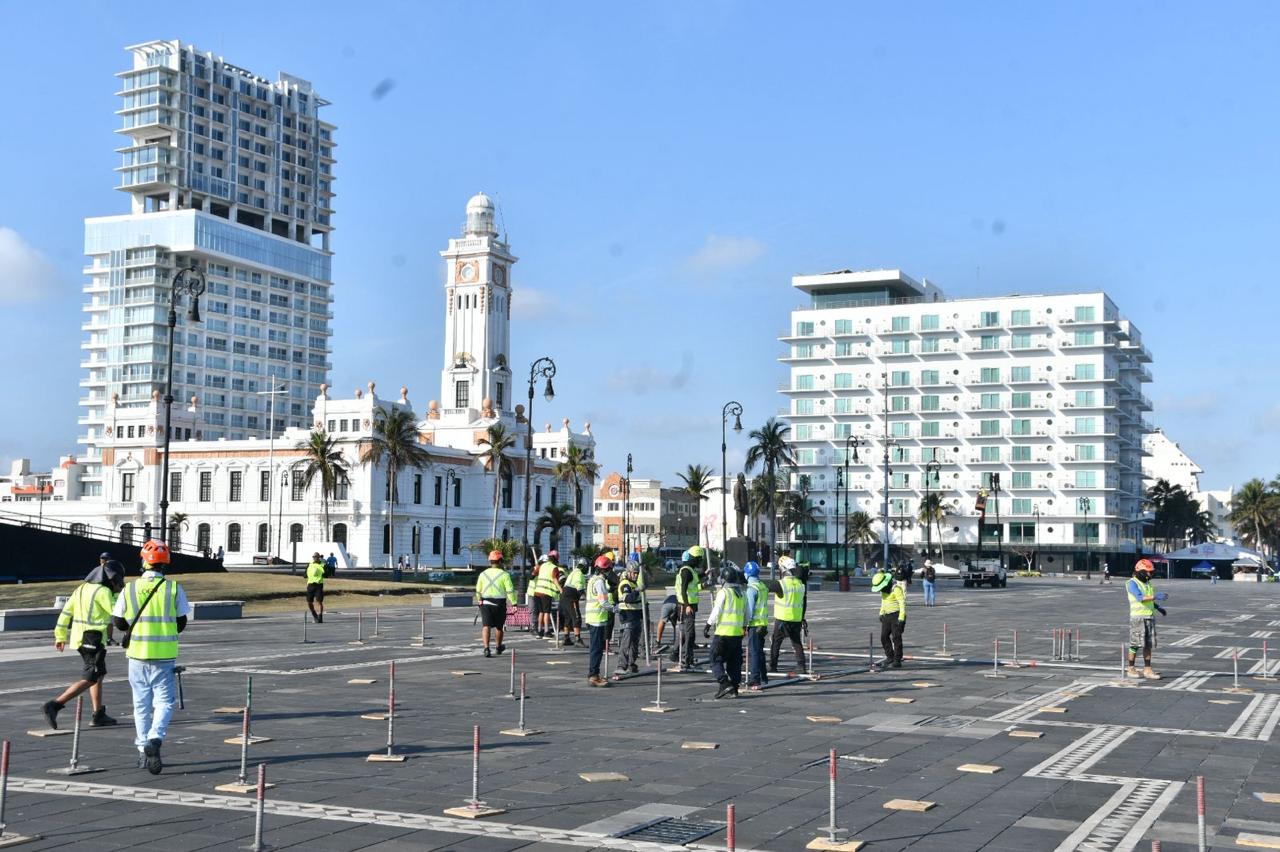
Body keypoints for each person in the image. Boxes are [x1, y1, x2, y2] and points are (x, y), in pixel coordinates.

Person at [112, 539, 191, 774]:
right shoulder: (174, 588)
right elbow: (181, 622)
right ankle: (155, 738)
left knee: (140, 705)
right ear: (165, 565)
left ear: (143, 562)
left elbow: (117, 621)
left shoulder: (129, 588)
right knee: (165, 702)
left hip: (136, 654)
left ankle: (141, 750)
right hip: (164, 656)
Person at [43, 559, 126, 729]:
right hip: (92, 639)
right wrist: (119, 595)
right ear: (112, 579)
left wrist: (59, 636)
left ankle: (98, 714)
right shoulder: (102, 591)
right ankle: (55, 705)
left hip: (80, 639)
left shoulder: (80, 589)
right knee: (90, 677)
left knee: (98, 674)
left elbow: (66, 613)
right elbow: (117, 612)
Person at [704, 566, 746, 699]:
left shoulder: (724, 592)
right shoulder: (741, 593)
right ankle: (734, 687)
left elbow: (717, 610)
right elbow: (747, 613)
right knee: (734, 662)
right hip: (737, 634)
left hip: (723, 633)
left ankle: (724, 683)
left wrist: (708, 624)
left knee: (715, 658)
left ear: (724, 579)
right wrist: (744, 627)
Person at [1126, 558, 1167, 680]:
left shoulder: (1148, 584)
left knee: (1148, 645)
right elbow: (1140, 598)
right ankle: (1131, 668)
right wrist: (1156, 596)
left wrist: (1158, 607)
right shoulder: (1132, 583)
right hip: (1137, 618)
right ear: (1142, 572)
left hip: (1149, 616)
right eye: (1149, 572)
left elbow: (1149, 601)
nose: (1151, 575)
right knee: (1135, 644)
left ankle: (1147, 669)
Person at [769, 557, 807, 674]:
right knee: (796, 643)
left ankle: (773, 666)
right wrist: (802, 618)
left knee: (776, 642)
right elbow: (804, 603)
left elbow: (766, 587)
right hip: (796, 619)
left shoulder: (781, 584)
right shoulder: (801, 585)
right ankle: (802, 666)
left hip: (782, 619)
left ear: (784, 570)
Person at [475, 549, 515, 657]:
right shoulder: (505, 575)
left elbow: (478, 589)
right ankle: (498, 647)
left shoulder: (483, 574)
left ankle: (486, 648)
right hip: (499, 602)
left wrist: (479, 599)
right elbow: (510, 590)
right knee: (499, 627)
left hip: (485, 601)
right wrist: (514, 603)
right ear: (500, 561)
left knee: (486, 625)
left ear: (490, 561)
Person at [585, 554, 616, 686]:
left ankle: (594, 674)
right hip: (597, 619)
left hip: (593, 618)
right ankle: (593, 676)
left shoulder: (593, 579)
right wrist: (614, 608)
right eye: (609, 569)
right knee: (597, 649)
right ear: (605, 570)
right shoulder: (600, 582)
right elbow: (603, 602)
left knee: (596, 648)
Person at [674, 547, 704, 671]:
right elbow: (684, 589)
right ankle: (685, 659)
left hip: (690, 605)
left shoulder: (691, 570)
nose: (699, 562)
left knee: (689, 633)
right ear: (694, 558)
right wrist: (686, 606)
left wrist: (705, 576)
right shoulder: (686, 571)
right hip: (685, 606)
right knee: (688, 633)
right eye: (698, 559)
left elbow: (694, 586)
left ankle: (685, 656)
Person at [612, 562, 643, 679]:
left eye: (637, 573)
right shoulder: (625, 584)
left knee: (635, 642)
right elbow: (628, 598)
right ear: (629, 572)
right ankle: (621, 666)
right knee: (626, 642)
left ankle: (631, 663)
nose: (635, 575)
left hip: (636, 615)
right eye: (634, 573)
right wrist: (637, 591)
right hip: (627, 616)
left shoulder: (634, 583)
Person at [743, 561, 770, 690]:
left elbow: (749, 609)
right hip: (763, 624)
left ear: (747, 574)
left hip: (755, 624)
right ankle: (764, 676)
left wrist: (745, 625)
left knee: (754, 652)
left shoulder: (751, 589)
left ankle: (755, 679)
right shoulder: (762, 585)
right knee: (760, 652)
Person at [874, 569, 907, 668]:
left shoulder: (895, 588)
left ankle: (897, 659)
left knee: (896, 637)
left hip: (897, 616)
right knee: (883, 637)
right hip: (887, 616)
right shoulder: (883, 591)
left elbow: (902, 603)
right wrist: (881, 612)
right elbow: (883, 602)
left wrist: (901, 618)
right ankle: (890, 656)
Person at [532, 552, 560, 638]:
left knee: (541, 612)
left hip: (537, 592)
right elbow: (555, 579)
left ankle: (540, 631)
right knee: (546, 612)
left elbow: (533, 574)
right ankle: (547, 631)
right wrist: (561, 589)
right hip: (546, 593)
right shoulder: (554, 568)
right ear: (556, 559)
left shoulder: (542, 566)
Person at [559, 557, 587, 647]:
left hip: (564, 596)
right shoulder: (579, 573)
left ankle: (566, 638)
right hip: (571, 597)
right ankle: (578, 639)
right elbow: (578, 584)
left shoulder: (573, 572)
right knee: (577, 617)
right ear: (583, 566)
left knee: (568, 618)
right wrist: (582, 593)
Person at [305, 552, 326, 623]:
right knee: (309, 602)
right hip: (310, 584)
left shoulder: (322, 565)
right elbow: (306, 573)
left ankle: (320, 617)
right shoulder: (310, 564)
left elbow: (326, 573)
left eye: (316, 557)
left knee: (319, 601)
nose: (314, 558)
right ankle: (314, 615)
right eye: (313, 557)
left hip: (319, 584)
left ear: (319, 557)